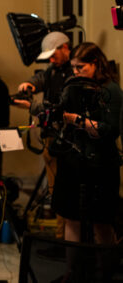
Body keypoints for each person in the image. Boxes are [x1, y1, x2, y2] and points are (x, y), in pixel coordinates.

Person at [52, 42, 121, 244]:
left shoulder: (111, 90)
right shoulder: (75, 87)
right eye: (73, 67)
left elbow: (110, 130)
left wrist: (76, 120)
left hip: (100, 164)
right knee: (71, 219)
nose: (76, 72)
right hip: (74, 162)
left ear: (95, 63)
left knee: (101, 223)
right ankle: (72, 273)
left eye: (80, 67)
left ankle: (104, 273)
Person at [14, 31, 73, 239]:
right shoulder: (53, 70)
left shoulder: (74, 73)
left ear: (65, 47)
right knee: (54, 190)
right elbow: (41, 77)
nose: (51, 59)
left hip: (67, 141)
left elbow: (60, 109)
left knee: (63, 193)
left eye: (54, 55)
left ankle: (64, 239)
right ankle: (61, 238)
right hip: (51, 138)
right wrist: (29, 84)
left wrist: (32, 106)